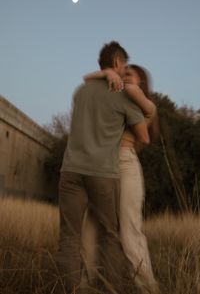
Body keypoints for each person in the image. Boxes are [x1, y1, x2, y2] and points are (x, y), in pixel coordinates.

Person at [55, 41, 150, 294]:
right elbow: (143, 133)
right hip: (102, 174)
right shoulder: (121, 93)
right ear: (118, 62)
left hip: (70, 171)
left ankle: (76, 290)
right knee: (110, 234)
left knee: (69, 236)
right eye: (124, 65)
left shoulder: (80, 91)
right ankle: (112, 289)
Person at [82, 64, 160, 294]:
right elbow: (87, 79)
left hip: (125, 165)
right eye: (121, 73)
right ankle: (84, 286)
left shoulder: (145, 104)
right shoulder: (114, 103)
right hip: (102, 168)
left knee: (130, 233)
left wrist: (120, 81)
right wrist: (107, 73)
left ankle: (149, 289)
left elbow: (134, 93)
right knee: (89, 228)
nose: (122, 77)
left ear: (141, 81)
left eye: (129, 74)